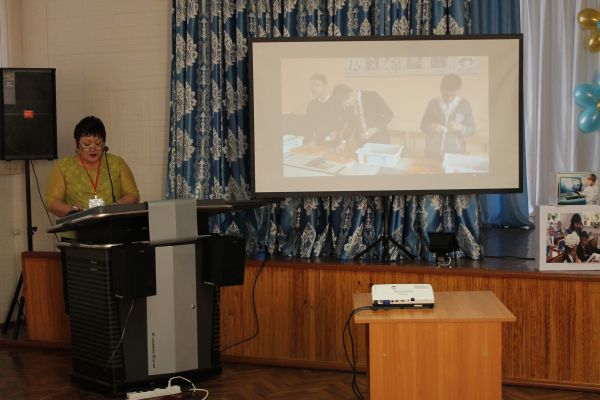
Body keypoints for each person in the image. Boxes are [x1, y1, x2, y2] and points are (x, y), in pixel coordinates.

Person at [45, 116, 140, 217]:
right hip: (78, 224)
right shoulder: (63, 167)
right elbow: (51, 201)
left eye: (98, 143)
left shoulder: (116, 163)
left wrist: (118, 206)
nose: (93, 148)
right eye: (86, 144)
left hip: (113, 222)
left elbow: (133, 194)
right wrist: (72, 211)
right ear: (76, 143)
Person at [420, 74, 475, 157]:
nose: (449, 98)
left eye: (453, 95)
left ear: (459, 90)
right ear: (441, 90)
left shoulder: (465, 105)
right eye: (445, 95)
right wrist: (430, 127)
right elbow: (423, 126)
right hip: (432, 152)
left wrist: (461, 128)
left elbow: (472, 130)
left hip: (455, 153)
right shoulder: (433, 104)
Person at [330, 84, 394, 151]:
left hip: (380, 141)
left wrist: (375, 129)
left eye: (347, 103)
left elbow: (389, 114)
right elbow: (350, 124)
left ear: (351, 94)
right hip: (362, 143)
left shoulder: (372, 96)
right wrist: (343, 142)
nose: (347, 106)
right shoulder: (349, 106)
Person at [305, 74, 340, 145]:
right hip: (317, 143)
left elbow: (342, 122)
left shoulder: (336, 102)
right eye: (311, 85)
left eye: (317, 85)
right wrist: (310, 139)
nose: (313, 88)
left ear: (325, 86)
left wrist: (336, 131)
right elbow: (309, 125)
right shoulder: (311, 105)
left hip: (335, 142)